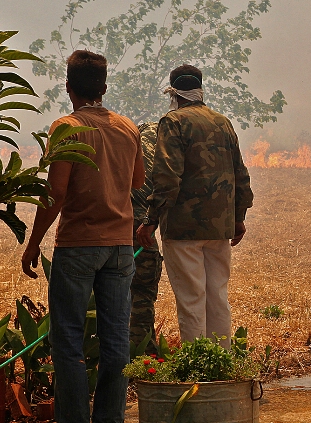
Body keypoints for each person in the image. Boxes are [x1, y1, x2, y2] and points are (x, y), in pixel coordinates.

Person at [22, 50, 144, 423]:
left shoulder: (66, 127)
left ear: (68, 86)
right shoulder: (127, 127)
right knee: (116, 341)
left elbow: (56, 192)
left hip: (78, 245)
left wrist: (33, 243)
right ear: (104, 88)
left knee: (68, 342)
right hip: (120, 248)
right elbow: (137, 181)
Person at [136, 64, 253, 349]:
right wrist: (238, 217)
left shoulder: (173, 122)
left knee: (191, 300)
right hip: (220, 228)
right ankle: (220, 362)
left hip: (183, 229)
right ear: (200, 90)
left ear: (173, 94)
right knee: (217, 298)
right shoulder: (222, 122)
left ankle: (197, 365)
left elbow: (167, 177)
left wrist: (150, 220)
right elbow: (240, 174)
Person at [129, 121, 163, 354]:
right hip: (141, 229)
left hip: (112, 225)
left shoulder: (132, 140)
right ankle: (143, 357)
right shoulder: (169, 150)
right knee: (141, 297)